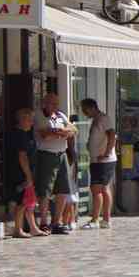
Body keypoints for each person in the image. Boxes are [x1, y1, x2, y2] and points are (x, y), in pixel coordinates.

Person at [34, 93, 76, 235]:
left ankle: (56, 221)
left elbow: (73, 130)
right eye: (52, 103)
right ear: (44, 103)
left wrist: (60, 132)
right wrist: (62, 132)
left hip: (61, 154)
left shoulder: (60, 115)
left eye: (56, 103)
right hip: (46, 155)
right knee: (45, 190)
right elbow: (45, 134)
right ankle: (44, 222)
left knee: (63, 189)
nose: (55, 106)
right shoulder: (39, 115)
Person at [7, 108, 44, 238]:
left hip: (26, 171)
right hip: (20, 173)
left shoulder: (26, 134)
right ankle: (18, 229)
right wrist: (28, 176)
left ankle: (33, 227)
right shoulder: (19, 135)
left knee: (29, 200)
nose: (31, 123)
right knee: (21, 201)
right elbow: (22, 157)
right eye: (29, 120)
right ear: (22, 120)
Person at [80, 99, 116, 230]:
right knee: (102, 189)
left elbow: (112, 135)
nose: (83, 112)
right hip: (98, 160)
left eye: (84, 109)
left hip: (103, 160)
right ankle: (104, 220)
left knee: (98, 189)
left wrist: (106, 153)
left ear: (91, 108)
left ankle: (97, 219)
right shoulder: (97, 119)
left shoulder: (103, 119)